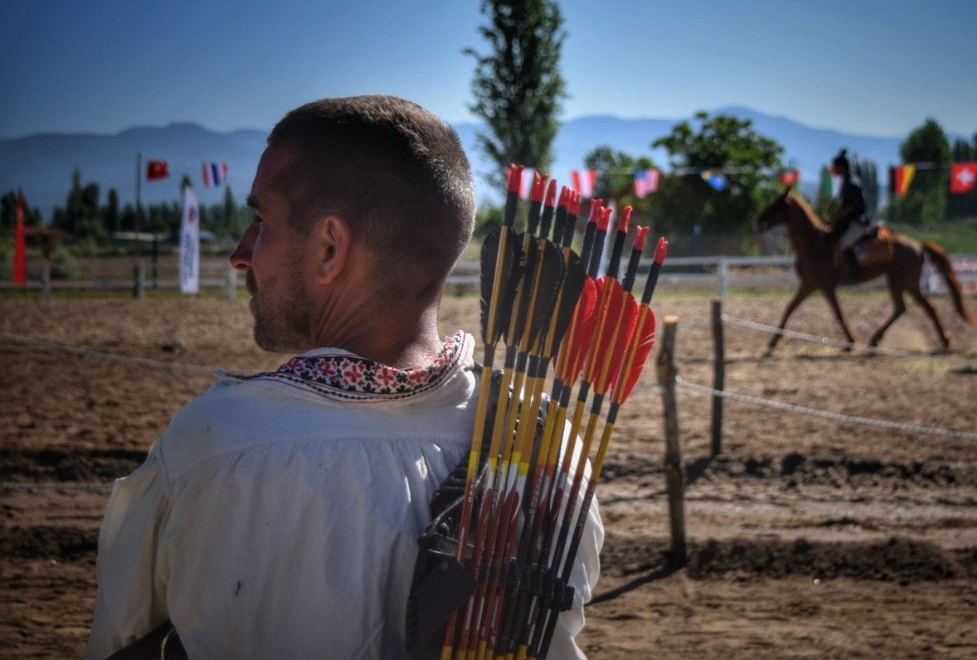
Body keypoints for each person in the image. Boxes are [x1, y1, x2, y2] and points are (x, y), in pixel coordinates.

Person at [85, 96, 603, 660]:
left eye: (260, 222)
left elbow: (119, 643)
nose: (241, 253)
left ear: (330, 247)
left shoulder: (209, 446)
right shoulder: (547, 448)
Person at [828, 149, 870, 276]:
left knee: (838, 246)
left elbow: (851, 207)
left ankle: (841, 273)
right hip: (849, 222)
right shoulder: (846, 181)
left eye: (835, 166)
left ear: (842, 167)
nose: (833, 169)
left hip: (858, 223)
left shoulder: (851, 183)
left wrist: (836, 216)